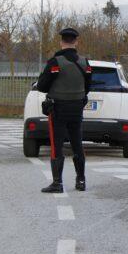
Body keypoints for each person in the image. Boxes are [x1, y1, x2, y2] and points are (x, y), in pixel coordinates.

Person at [37, 28, 92, 193]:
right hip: (77, 109)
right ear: (76, 42)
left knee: (57, 145)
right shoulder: (85, 63)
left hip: (58, 109)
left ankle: (57, 183)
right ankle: (81, 181)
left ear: (61, 42)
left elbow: (42, 86)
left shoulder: (55, 62)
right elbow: (88, 87)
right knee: (77, 144)